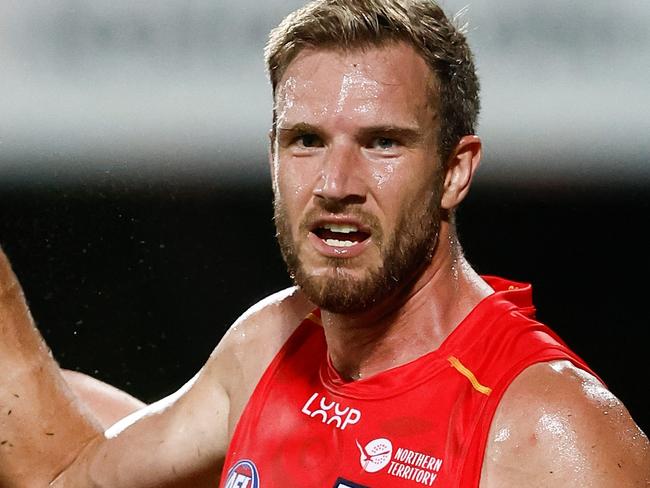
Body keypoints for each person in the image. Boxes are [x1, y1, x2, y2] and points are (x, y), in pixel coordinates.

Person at [1, 0, 648, 486]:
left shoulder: (548, 426)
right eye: (306, 140)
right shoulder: (269, 344)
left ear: (455, 170)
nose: (336, 184)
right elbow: (64, 476)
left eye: (382, 143)